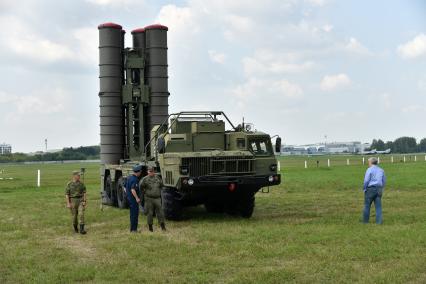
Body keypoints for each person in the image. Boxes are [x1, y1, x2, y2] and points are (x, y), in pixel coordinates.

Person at [140, 166, 166, 232]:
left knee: (160, 212)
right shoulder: (144, 179)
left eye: (152, 171)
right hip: (149, 199)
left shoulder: (158, 178)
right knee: (150, 213)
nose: (151, 172)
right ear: (147, 172)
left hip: (157, 198)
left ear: (154, 171)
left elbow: (162, 185)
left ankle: (163, 226)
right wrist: (145, 193)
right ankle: (150, 228)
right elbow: (141, 187)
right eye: (149, 171)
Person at [362, 157, 386, 224]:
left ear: (371, 162)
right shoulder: (381, 170)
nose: (368, 163)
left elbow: (366, 180)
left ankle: (365, 222)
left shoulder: (369, 170)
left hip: (370, 189)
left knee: (367, 205)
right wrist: (382, 188)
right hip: (379, 189)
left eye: (368, 162)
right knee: (378, 206)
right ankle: (379, 222)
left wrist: (364, 188)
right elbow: (384, 181)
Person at [126, 165, 143, 232]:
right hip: (133, 200)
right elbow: (133, 190)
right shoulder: (135, 179)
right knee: (134, 215)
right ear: (138, 172)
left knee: (132, 214)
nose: (140, 173)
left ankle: (132, 229)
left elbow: (125, 187)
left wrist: (128, 195)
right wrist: (137, 198)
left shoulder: (129, 178)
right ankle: (134, 230)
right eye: (140, 172)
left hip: (130, 199)